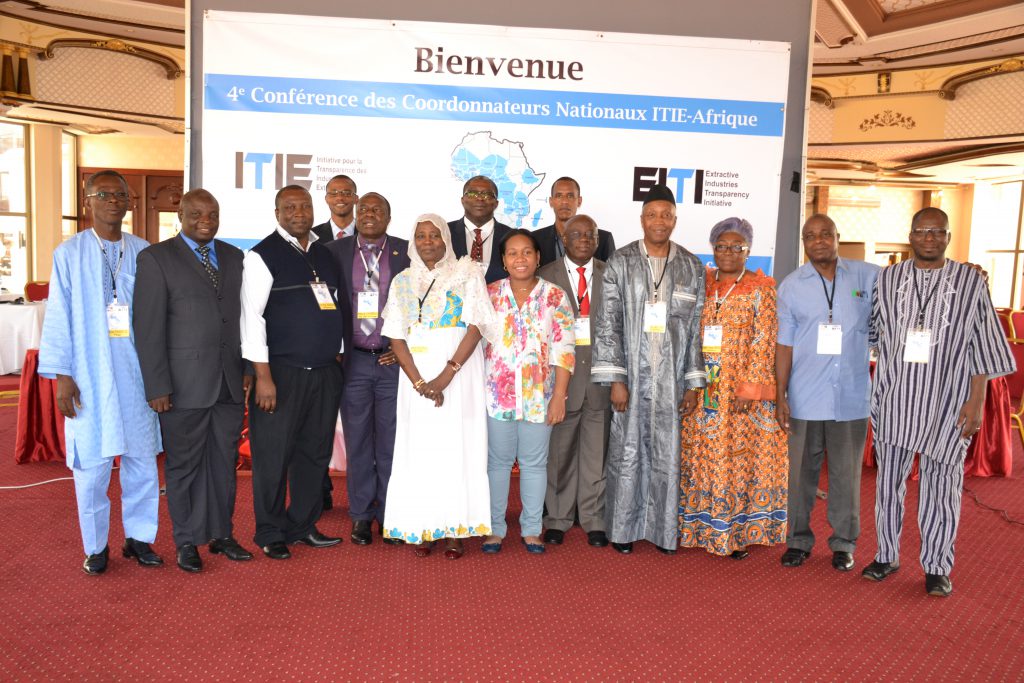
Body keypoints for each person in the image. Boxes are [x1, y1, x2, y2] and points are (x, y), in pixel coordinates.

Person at [863, 207, 1014, 597]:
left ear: (948, 236)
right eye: (922, 230)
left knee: (942, 485)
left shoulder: (970, 282)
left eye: (937, 231)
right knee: (887, 484)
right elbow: (872, 331)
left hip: (946, 402)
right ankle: (886, 555)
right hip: (895, 398)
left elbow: (984, 345)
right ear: (910, 235)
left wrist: (976, 401)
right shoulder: (887, 279)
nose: (929, 237)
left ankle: (936, 566)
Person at [38, 169, 162, 575]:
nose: (113, 201)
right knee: (91, 467)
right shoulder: (69, 253)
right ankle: (95, 546)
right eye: (103, 194)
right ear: (87, 202)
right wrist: (62, 375)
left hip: (137, 375)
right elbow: (58, 316)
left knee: (141, 460)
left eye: (119, 195)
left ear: (129, 202)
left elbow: (158, 317)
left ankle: (139, 538)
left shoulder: (144, 252)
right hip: (88, 374)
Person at [133, 188, 254, 573]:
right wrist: (157, 386)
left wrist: (249, 369)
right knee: (184, 466)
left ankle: (221, 534)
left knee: (223, 463)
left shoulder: (235, 257)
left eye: (212, 214)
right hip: (181, 387)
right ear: (181, 216)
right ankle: (186, 541)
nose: (206, 220)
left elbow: (246, 318)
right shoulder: (156, 258)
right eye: (197, 214)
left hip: (229, 383)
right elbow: (148, 328)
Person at [592, 183, 706, 556]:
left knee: (666, 455)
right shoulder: (621, 262)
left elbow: (695, 329)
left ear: (675, 220)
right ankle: (623, 530)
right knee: (627, 453)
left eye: (666, 215)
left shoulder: (691, 266)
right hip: (632, 376)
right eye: (652, 215)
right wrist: (617, 379)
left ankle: (662, 532)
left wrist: (693, 384)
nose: (660, 221)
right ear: (642, 219)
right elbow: (608, 324)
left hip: (671, 380)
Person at [380, 214, 498, 559]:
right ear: (412, 241)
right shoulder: (402, 280)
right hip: (414, 377)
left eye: (435, 235)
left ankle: (454, 529)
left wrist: (446, 375)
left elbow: (476, 328)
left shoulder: (467, 273)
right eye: (421, 235)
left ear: (446, 239)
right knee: (421, 448)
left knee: (456, 446)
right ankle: (423, 525)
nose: (428, 241)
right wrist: (419, 381)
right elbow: (396, 335)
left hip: (459, 373)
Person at [241, 184, 345, 559]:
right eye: (290, 207)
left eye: (304, 206)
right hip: (281, 375)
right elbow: (251, 319)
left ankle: (302, 525)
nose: (299, 213)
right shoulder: (261, 255)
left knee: (314, 454)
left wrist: (338, 355)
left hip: (324, 373)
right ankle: (270, 531)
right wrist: (263, 376)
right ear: (277, 213)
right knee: (273, 456)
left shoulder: (324, 253)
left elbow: (336, 306)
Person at [678, 217, 787, 559]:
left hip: (739, 389)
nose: (728, 252)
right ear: (713, 249)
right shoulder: (703, 283)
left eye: (736, 247)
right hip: (703, 385)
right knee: (701, 458)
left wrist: (749, 389)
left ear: (748, 250)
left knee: (735, 461)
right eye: (721, 246)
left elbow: (764, 339)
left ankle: (735, 532)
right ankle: (699, 527)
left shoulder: (761, 287)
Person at [775, 214, 879, 571]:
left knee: (846, 476)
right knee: (800, 474)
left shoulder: (869, 276)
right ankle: (797, 540)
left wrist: (963, 272)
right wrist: (780, 394)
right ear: (803, 242)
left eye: (825, 234)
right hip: (805, 396)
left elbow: (911, 284)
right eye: (810, 236)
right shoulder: (791, 286)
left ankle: (844, 543)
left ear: (837, 237)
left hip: (851, 396)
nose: (818, 240)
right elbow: (784, 345)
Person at [482, 229, 575, 554]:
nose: (519, 258)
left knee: (535, 464)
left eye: (526, 252)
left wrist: (559, 396)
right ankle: (494, 529)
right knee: (497, 464)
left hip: (540, 398)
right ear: (503, 260)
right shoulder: (490, 295)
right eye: (512, 253)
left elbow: (564, 349)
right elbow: (475, 345)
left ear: (537, 258)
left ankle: (532, 530)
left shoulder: (555, 296)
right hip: (497, 398)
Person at [326, 192, 410, 546]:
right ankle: (360, 515)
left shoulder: (407, 251)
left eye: (378, 210)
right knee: (358, 441)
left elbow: (421, 304)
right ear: (356, 214)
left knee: (392, 442)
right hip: (354, 361)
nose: (370, 214)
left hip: (393, 362)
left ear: (389, 217)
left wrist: (403, 348)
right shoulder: (334, 252)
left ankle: (391, 515)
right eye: (364, 209)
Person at [537, 214, 612, 548]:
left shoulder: (612, 274)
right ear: (563, 239)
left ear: (597, 240)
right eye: (576, 234)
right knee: (559, 454)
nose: (584, 239)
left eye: (590, 234)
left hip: (600, 379)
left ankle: (594, 517)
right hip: (560, 382)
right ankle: (557, 517)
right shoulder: (544, 276)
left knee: (597, 455)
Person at [533, 177, 616, 266]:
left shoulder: (603, 239)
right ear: (551, 201)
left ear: (579, 201)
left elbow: (613, 273)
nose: (564, 201)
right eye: (559, 196)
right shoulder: (536, 239)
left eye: (570, 196)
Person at [449, 175, 513, 284]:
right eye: (472, 193)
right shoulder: (444, 233)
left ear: (496, 203)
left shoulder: (511, 236)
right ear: (462, 200)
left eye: (487, 194)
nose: (479, 198)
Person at [312, 175, 358, 243]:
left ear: (356, 199)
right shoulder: (312, 236)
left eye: (346, 193)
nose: (340, 197)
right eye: (334, 193)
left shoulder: (369, 233)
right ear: (326, 199)